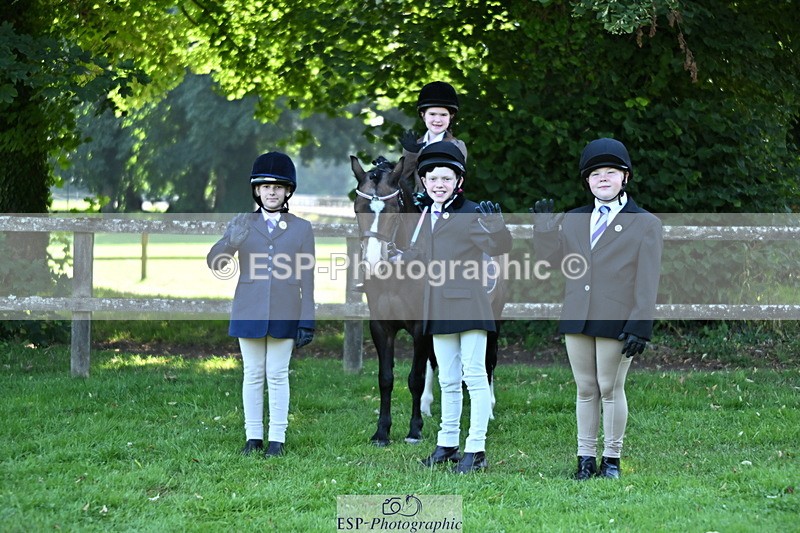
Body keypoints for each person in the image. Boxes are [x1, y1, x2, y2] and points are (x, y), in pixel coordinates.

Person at [532, 137, 662, 480]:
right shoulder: (574, 219)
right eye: (595, 174)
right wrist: (544, 233)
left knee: (610, 387)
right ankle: (585, 458)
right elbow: (553, 263)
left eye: (610, 172)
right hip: (577, 313)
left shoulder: (646, 223)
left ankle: (612, 459)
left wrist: (640, 326)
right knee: (585, 388)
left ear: (625, 178)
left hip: (616, 317)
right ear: (587, 181)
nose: (603, 178)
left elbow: (647, 282)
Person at [397, 141, 512, 474]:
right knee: (447, 379)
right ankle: (446, 445)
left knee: (473, 377)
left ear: (458, 181)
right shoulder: (427, 213)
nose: (439, 185)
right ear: (425, 182)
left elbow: (499, 246)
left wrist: (498, 228)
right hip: (436, 306)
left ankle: (475, 449)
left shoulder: (473, 211)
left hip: (469, 306)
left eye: (446, 179)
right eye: (432, 179)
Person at [207, 151, 315, 458]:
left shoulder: (301, 228)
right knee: (253, 373)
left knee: (278, 374)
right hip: (249, 308)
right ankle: (253, 436)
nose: (271, 192)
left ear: (287, 191)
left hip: (286, 311)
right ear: (257, 190)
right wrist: (231, 242)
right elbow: (215, 262)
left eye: (278, 187)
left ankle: (277, 438)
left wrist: (307, 320)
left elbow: (308, 279)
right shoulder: (242, 223)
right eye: (266, 186)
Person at [399, 81, 468, 191]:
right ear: (423, 115)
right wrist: (411, 154)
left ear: (451, 116)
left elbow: (457, 181)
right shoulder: (415, 145)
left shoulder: (457, 145)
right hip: (418, 205)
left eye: (443, 115)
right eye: (432, 114)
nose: (437, 120)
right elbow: (403, 179)